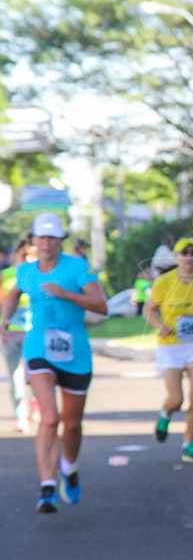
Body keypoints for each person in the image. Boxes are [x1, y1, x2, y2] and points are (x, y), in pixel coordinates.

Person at [1, 213, 108, 513]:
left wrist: (66, 294)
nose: (46, 243)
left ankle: (69, 468)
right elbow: (13, 294)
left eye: (52, 237)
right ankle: (47, 487)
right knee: (50, 418)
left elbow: (101, 305)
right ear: (33, 240)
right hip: (39, 349)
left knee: (72, 425)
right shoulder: (25, 271)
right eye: (41, 237)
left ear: (60, 240)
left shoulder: (78, 268)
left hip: (75, 354)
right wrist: (6, 318)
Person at [143, 237, 193, 464]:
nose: (189, 257)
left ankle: (189, 444)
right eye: (184, 253)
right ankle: (165, 414)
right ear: (176, 257)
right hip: (171, 346)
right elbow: (149, 310)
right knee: (176, 399)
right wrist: (161, 326)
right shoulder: (164, 282)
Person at [2, 239, 35, 433]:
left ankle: (38, 404)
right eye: (24, 256)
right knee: (15, 375)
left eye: (32, 256)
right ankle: (20, 414)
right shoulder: (7, 275)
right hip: (13, 332)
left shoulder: (45, 275)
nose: (27, 260)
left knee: (39, 374)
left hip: (36, 333)